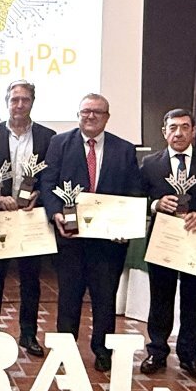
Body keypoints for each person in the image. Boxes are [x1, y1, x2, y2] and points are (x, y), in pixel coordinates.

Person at [41, 93, 143, 373]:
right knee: (69, 296)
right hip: (71, 237)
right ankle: (65, 348)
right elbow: (47, 182)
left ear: (107, 117)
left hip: (108, 242)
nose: (90, 116)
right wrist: (55, 213)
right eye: (85, 111)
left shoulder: (124, 149)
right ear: (78, 114)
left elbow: (134, 191)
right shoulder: (59, 143)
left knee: (104, 297)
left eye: (97, 112)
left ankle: (103, 350)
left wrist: (127, 225)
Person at [138, 108, 196, 382]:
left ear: (194, 131)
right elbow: (136, 198)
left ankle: (189, 356)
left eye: (184, 127)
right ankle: (157, 351)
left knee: (194, 299)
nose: (178, 133)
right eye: (173, 127)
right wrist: (155, 204)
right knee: (160, 298)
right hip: (164, 241)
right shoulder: (150, 164)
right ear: (164, 131)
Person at [0, 79, 55, 357]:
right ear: (6, 102)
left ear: (32, 102)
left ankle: (28, 334)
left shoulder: (49, 137)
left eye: (24, 99)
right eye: (14, 99)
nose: (19, 104)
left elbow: (52, 178)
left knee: (31, 278)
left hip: (31, 217)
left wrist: (40, 198)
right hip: (0, 216)